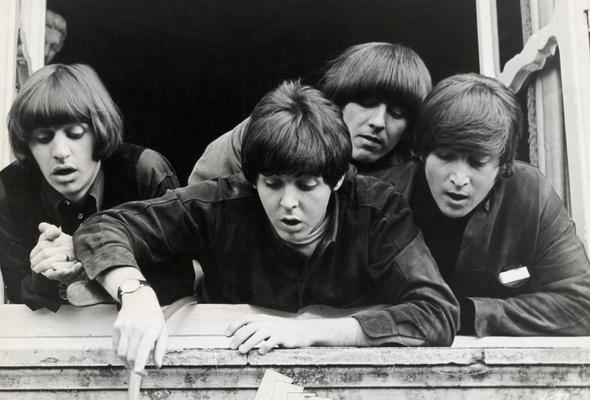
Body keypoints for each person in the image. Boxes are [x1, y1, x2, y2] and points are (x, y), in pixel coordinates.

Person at [73, 81, 458, 372]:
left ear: (338, 178)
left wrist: (309, 330)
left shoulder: (378, 209)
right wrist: (135, 294)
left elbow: (436, 313)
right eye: (272, 184)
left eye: (307, 185)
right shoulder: (221, 203)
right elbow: (103, 227)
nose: (288, 202)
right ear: (253, 179)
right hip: (226, 370)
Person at [399, 73, 590, 336]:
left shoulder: (531, 193)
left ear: (504, 166)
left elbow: (581, 304)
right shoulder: (385, 194)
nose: (459, 179)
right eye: (445, 156)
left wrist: (467, 315)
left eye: (477, 162)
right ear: (421, 153)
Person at [0, 63, 194, 311]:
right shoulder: (9, 188)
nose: (60, 152)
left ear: (99, 131)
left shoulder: (145, 173)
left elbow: (180, 284)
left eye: (75, 133)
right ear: (28, 144)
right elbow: (18, 295)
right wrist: (46, 275)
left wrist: (87, 260)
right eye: (43, 138)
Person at [188, 42, 431, 185]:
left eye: (396, 113)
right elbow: (200, 206)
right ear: (339, 99)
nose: (378, 122)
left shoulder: (414, 177)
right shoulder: (274, 128)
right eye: (367, 103)